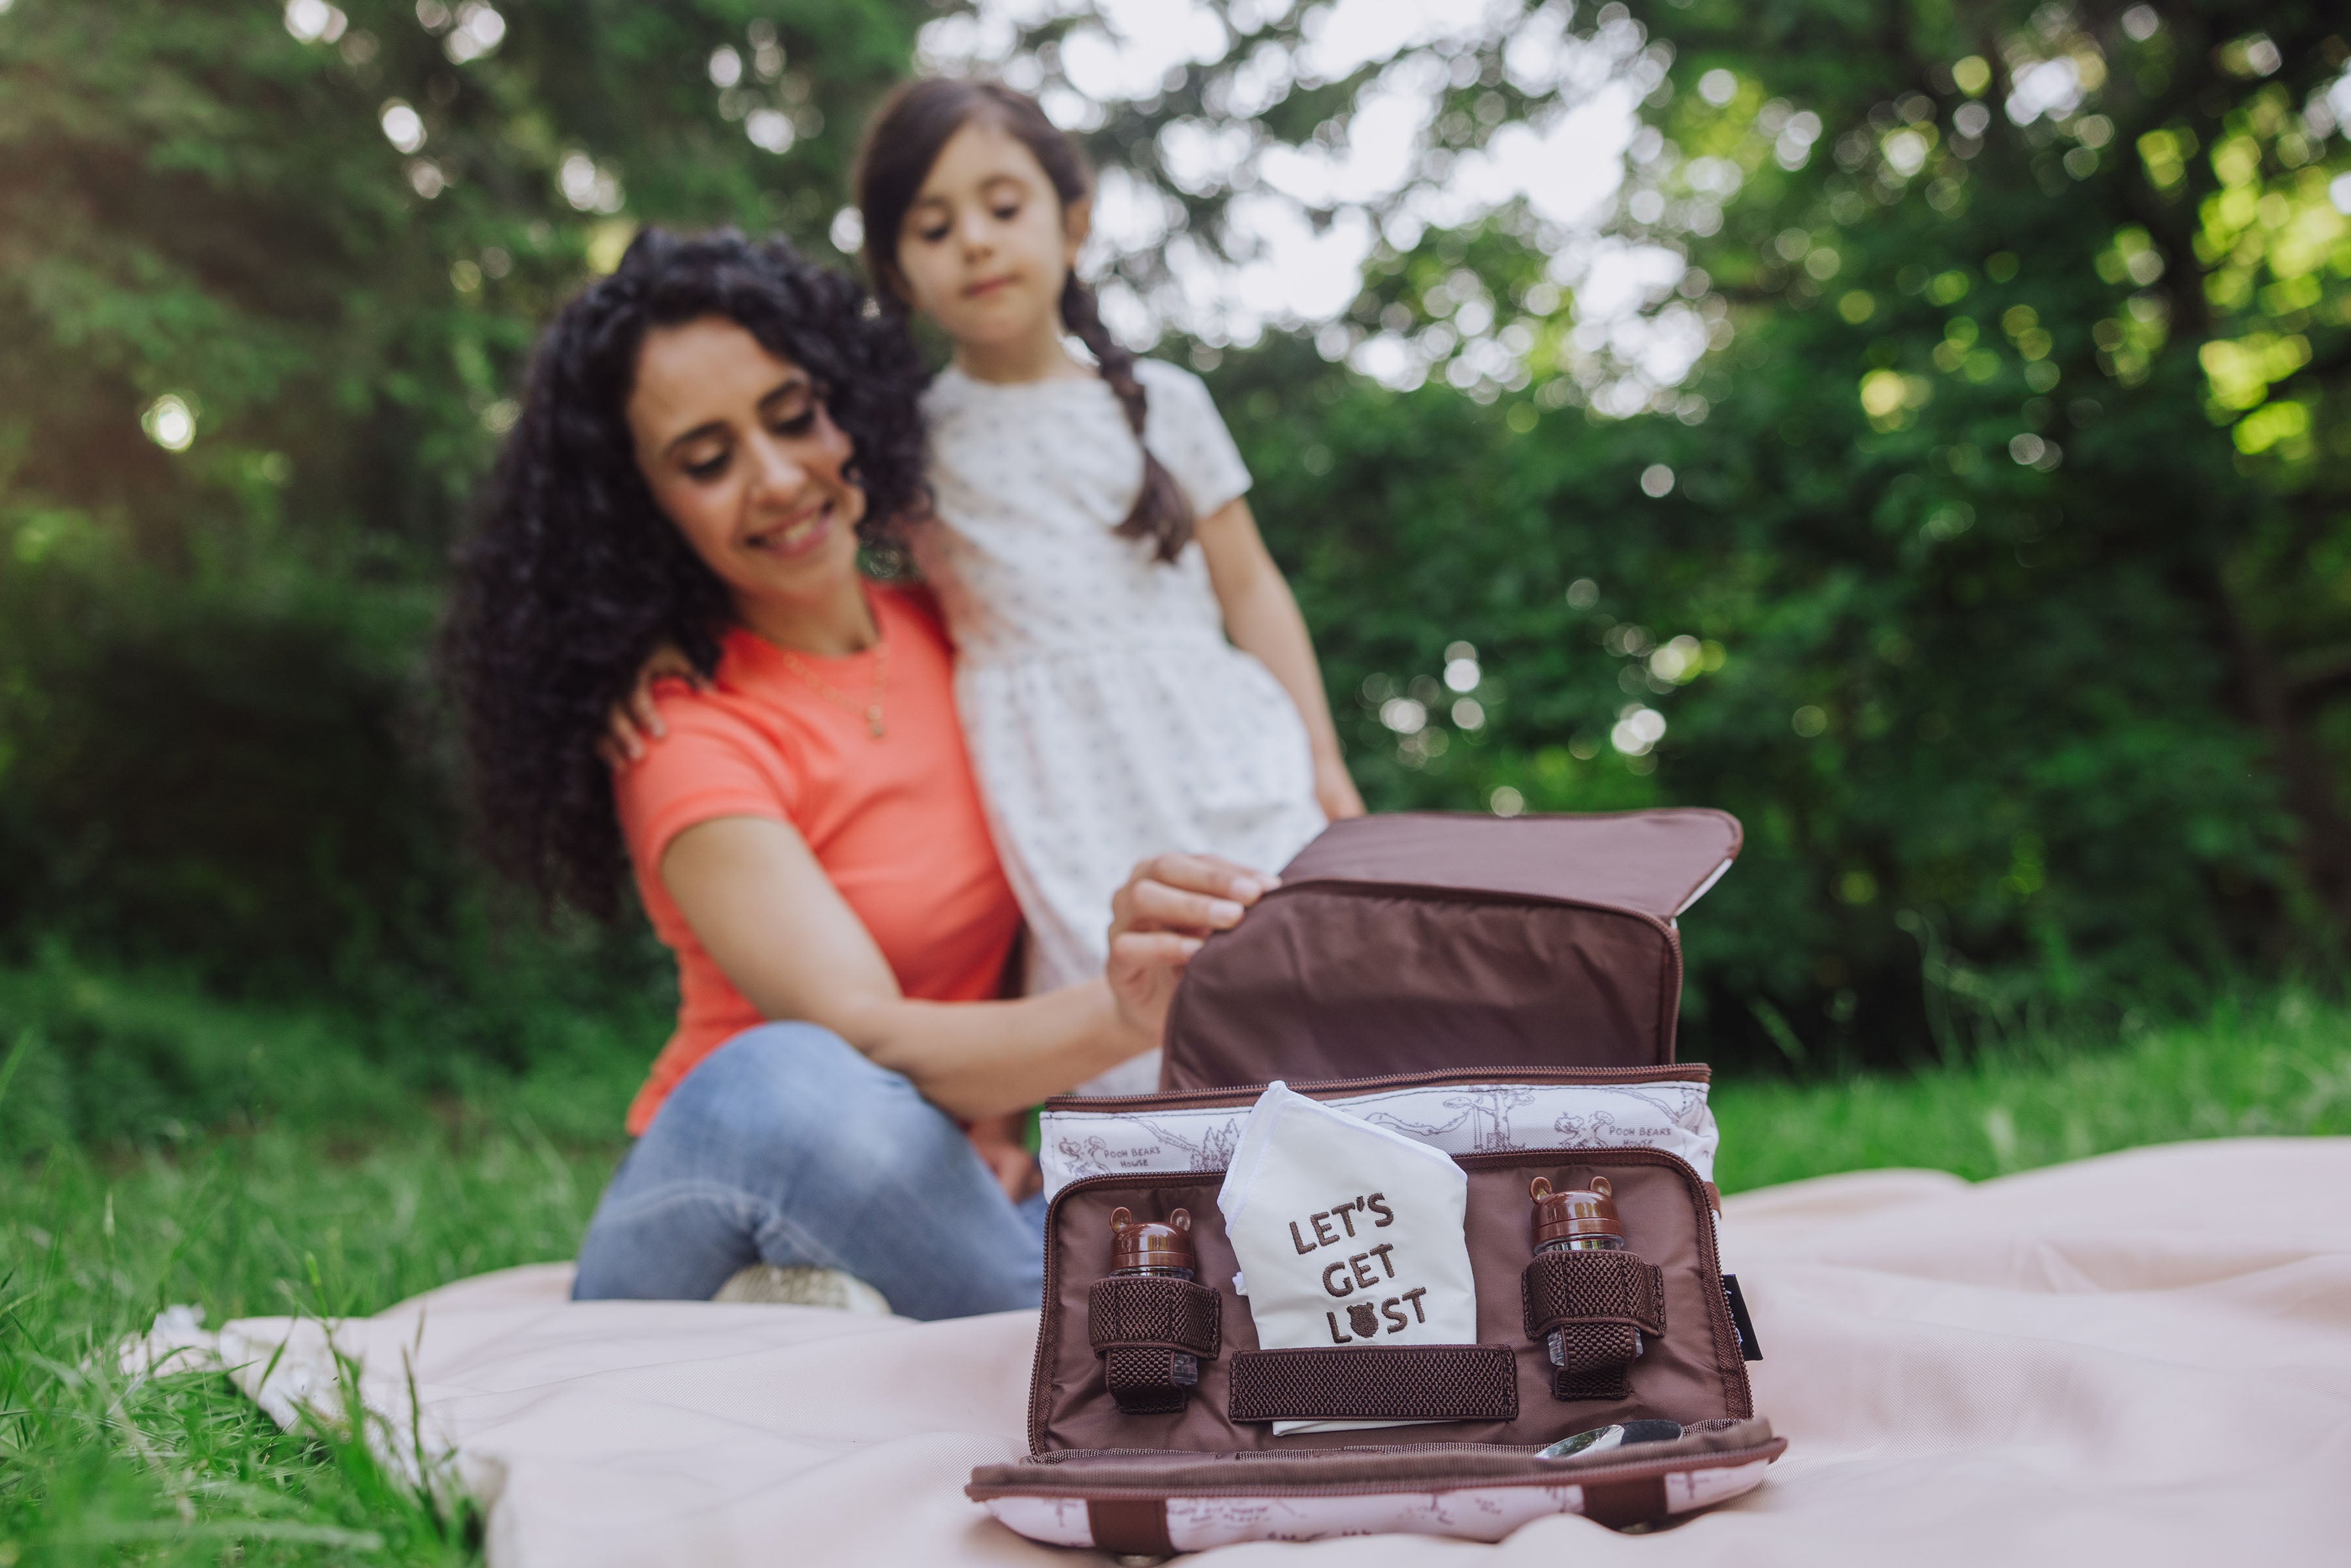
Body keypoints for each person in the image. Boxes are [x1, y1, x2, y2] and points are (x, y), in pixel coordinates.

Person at [443, 229, 1273, 1317]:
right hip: (741, 1167)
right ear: (639, 508)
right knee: (792, 1082)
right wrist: (1127, 1013)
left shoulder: (953, 627)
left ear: (850, 405)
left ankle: (886, 1307)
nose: (778, 479)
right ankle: (1122, 1329)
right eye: (707, 460)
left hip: (939, 1181)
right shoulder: (681, 732)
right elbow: (867, 1032)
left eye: (794, 418)